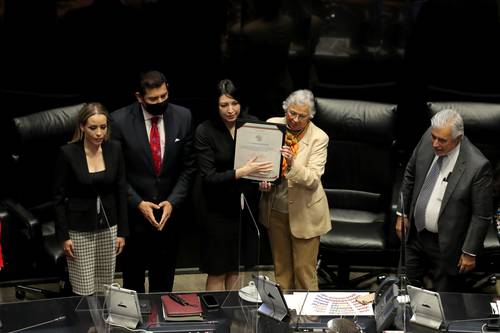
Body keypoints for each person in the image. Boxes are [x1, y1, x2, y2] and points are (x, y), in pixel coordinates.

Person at [110, 70, 195, 293]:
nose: (160, 102)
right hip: (135, 214)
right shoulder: (118, 121)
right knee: (133, 282)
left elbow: (188, 168)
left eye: (164, 96)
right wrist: (138, 202)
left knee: (164, 282)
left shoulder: (183, 116)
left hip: (169, 215)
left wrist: (173, 201)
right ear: (139, 97)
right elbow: (117, 173)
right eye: (153, 99)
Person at [396, 109, 493, 292]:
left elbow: (481, 215)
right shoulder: (429, 137)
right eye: (434, 137)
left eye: (442, 140)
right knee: (404, 290)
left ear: (458, 139)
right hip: (415, 234)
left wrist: (469, 252)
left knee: (443, 301)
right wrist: (402, 213)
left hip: (447, 243)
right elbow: (410, 173)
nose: (435, 143)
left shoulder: (478, 166)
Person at [193, 79, 273, 291]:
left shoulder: (252, 124)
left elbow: (262, 166)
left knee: (236, 268)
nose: (230, 110)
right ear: (215, 106)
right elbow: (208, 177)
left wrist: (263, 182)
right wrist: (241, 172)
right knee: (218, 268)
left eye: (234, 103)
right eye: (224, 105)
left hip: (243, 207)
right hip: (215, 208)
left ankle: (232, 315)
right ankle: (213, 320)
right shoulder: (205, 131)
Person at [259, 89, 331, 291]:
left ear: (311, 116)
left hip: (305, 212)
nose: (295, 119)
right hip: (275, 209)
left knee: (304, 274)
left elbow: (313, 179)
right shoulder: (272, 125)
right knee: (281, 272)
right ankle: (284, 318)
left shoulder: (319, 138)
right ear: (285, 108)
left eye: (302, 116)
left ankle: (308, 320)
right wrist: (261, 180)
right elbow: (260, 163)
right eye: (291, 113)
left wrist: (291, 164)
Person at [53, 102, 128, 295]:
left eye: (103, 127)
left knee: (105, 287)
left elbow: (121, 191)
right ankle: (84, 324)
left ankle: (101, 325)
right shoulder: (67, 153)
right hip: (79, 228)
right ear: (82, 127)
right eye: (93, 127)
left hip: (108, 226)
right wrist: (63, 236)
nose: (99, 133)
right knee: (84, 288)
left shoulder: (115, 149)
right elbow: (58, 198)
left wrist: (122, 232)